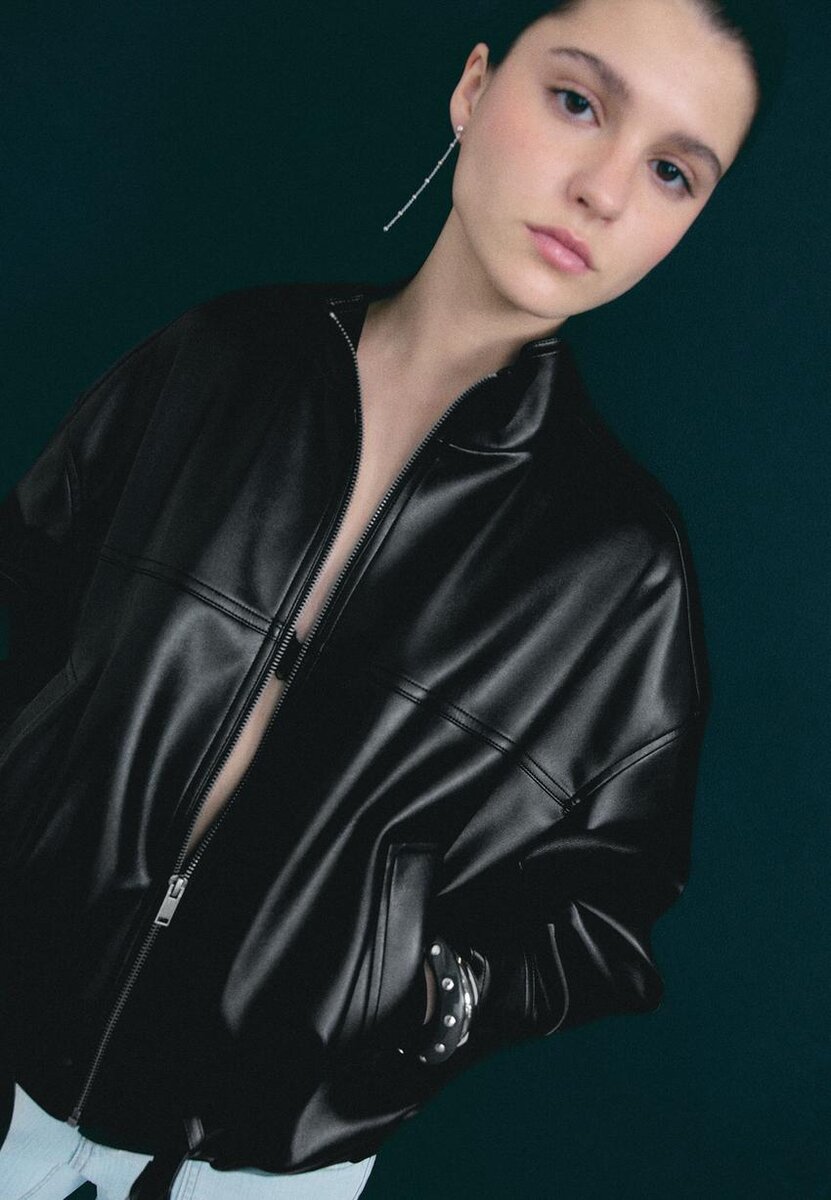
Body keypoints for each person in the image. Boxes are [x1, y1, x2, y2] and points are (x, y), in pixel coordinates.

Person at [0, 0, 783, 1196]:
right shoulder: (219, 360)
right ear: (474, 88)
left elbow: (608, 916)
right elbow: (29, 610)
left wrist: (430, 994)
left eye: (673, 172)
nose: (603, 191)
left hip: (253, 1166)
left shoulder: (621, 566)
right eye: (579, 103)